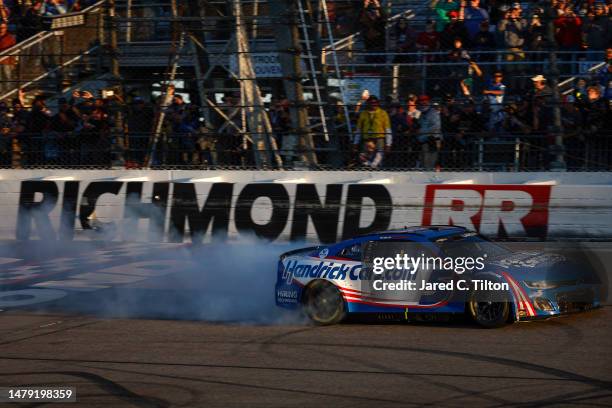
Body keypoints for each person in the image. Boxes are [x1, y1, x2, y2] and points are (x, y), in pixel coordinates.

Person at [353, 95, 391, 162]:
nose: (374, 104)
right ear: (368, 103)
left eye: (375, 102)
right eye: (371, 102)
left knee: (378, 159)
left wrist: (388, 144)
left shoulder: (383, 113)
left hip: (379, 138)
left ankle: (374, 167)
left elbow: (388, 130)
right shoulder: (363, 114)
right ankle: (367, 167)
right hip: (367, 139)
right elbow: (358, 130)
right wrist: (355, 143)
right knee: (362, 158)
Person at [417, 95, 442, 169]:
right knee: (423, 162)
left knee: (429, 163)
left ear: (428, 102)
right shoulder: (421, 114)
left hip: (431, 141)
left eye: (424, 101)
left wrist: (421, 131)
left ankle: (430, 176)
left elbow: (436, 126)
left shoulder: (433, 112)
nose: (422, 103)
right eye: (421, 101)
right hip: (423, 141)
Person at [0, 22, 15, 94]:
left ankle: (8, 92)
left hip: (7, 61)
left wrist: (13, 62)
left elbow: (13, 50)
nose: (1, 30)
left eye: (3, 28)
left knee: (7, 76)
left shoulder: (10, 37)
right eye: (0, 28)